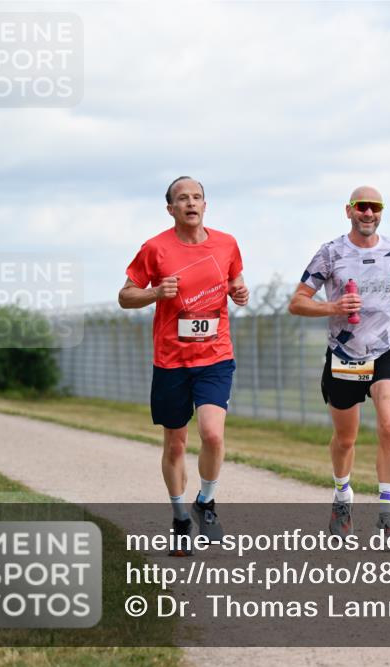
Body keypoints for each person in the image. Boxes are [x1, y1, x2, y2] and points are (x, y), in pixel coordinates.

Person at [118, 176, 249, 556]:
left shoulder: (226, 243)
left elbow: (237, 284)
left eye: (197, 197)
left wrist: (240, 292)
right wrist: (155, 292)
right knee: (175, 443)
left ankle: (206, 503)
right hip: (171, 361)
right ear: (170, 208)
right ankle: (179, 518)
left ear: (205, 205)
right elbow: (125, 296)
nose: (190, 203)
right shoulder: (154, 249)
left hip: (215, 357)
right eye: (182, 198)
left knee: (212, 435)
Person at [288, 186, 390, 544]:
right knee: (346, 439)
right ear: (349, 211)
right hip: (344, 354)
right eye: (361, 206)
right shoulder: (330, 253)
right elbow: (297, 303)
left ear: (381, 212)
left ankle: (387, 514)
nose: (368, 212)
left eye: (375, 207)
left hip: (385, 349)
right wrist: (334, 308)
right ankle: (343, 497)